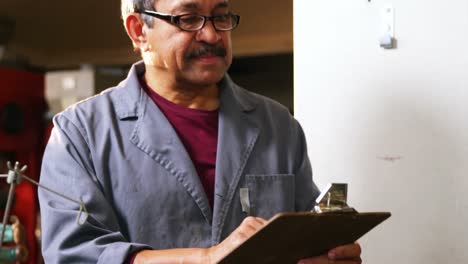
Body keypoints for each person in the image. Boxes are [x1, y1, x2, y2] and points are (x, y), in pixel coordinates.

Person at [38, 0, 362, 263]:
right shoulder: (79, 134)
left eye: (220, 17)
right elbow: (75, 256)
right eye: (188, 19)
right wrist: (206, 259)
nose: (212, 36)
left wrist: (329, 253)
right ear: (139, 31)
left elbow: (304, 233)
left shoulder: (277, 125)